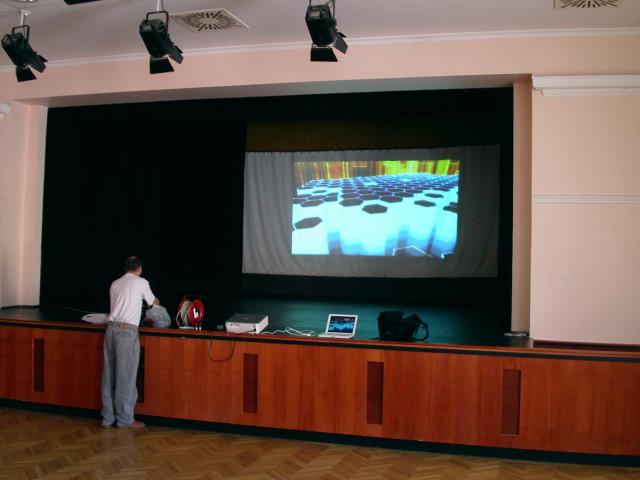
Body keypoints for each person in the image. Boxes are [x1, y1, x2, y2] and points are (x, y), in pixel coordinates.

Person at [101, 256, 159, 428]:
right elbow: (153, 303)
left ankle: (108, 418)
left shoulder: (115, 283)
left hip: (110, 330)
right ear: (139, 268)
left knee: (108, 375)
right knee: (125, 375)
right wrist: (157, 302)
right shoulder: (141, 282)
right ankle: (125, 419)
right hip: (126, 332)